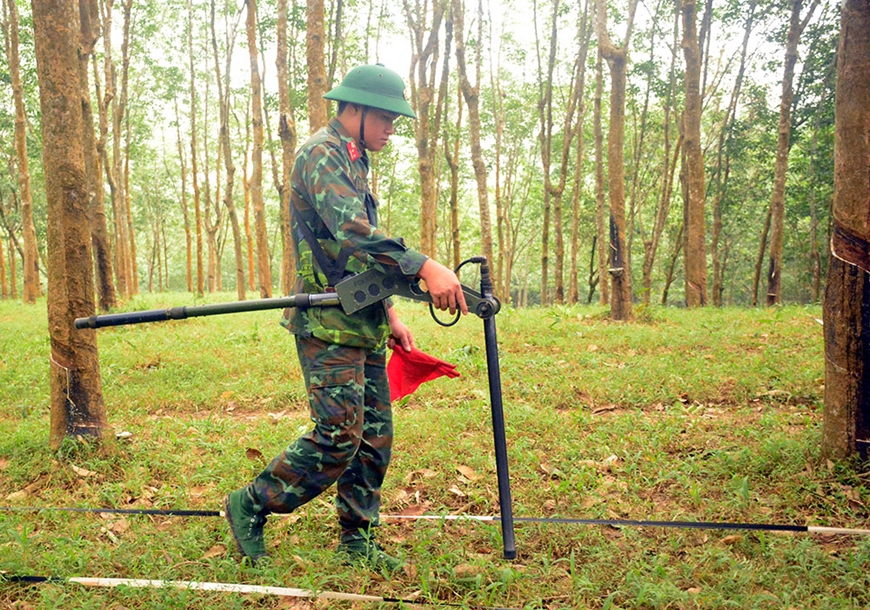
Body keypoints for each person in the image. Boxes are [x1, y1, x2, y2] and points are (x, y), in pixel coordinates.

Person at [224, 64, 467, 571]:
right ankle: (253, 501)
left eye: (395, 120)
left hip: (361, 316)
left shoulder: (355, 159)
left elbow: (352, 254)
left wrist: (391, 310)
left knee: (374, 436)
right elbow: (352, 229)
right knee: (338, 436)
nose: (391, 128)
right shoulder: (321, 153)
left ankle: (358, 540)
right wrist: (423, 265)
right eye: (383, 117)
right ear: (352, 109)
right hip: (325, 321)